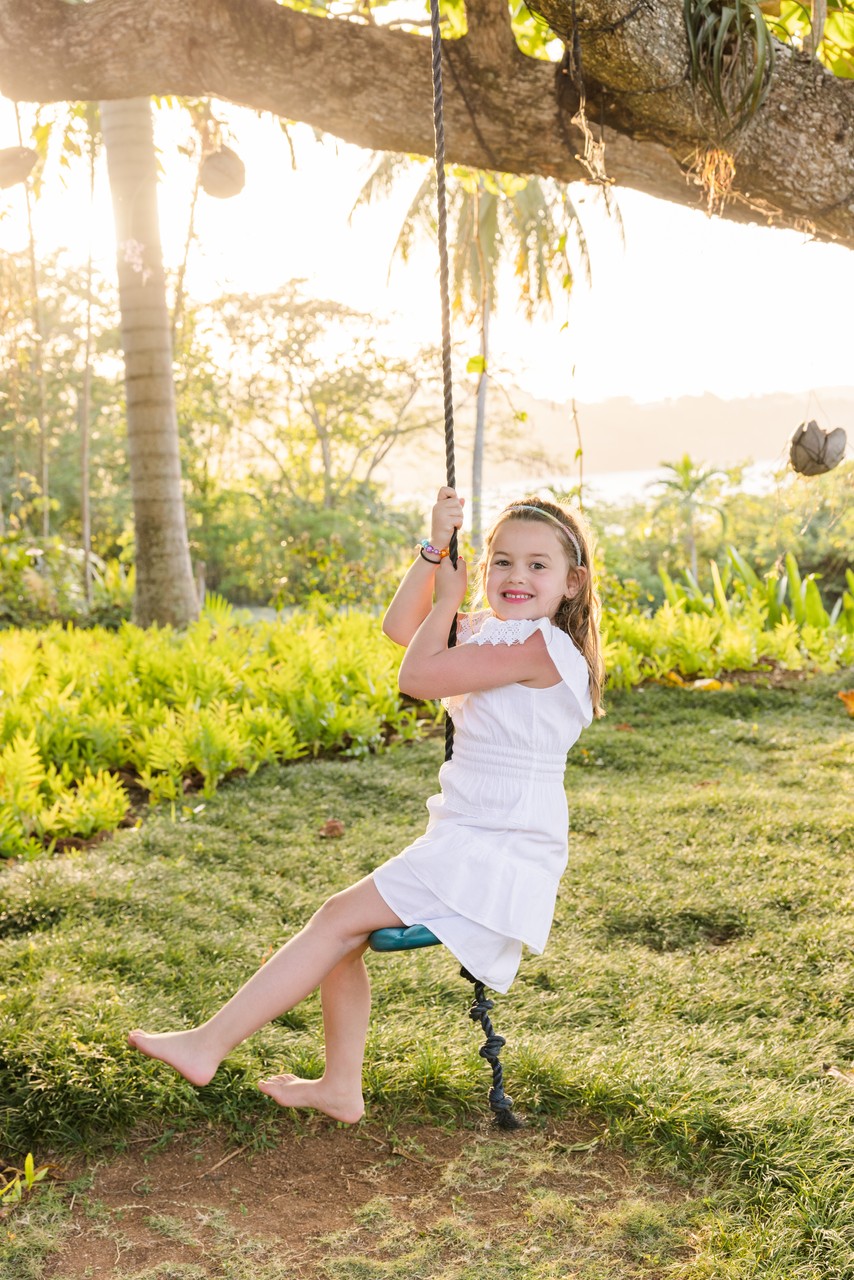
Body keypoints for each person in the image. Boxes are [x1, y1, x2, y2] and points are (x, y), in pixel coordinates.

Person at [128, 487, 604, 1124]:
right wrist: (435, 551)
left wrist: (448, 604)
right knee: (342, 933)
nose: (517, 576)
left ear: (571, 582)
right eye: (502, 561)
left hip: (499, 847)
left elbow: (417, 676)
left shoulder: (542, 650)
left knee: (334, 920)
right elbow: (401, 630)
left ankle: (207, 1045)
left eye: (537, 565)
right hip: (471, 834)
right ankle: (339, 1087)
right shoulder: (496, 634)